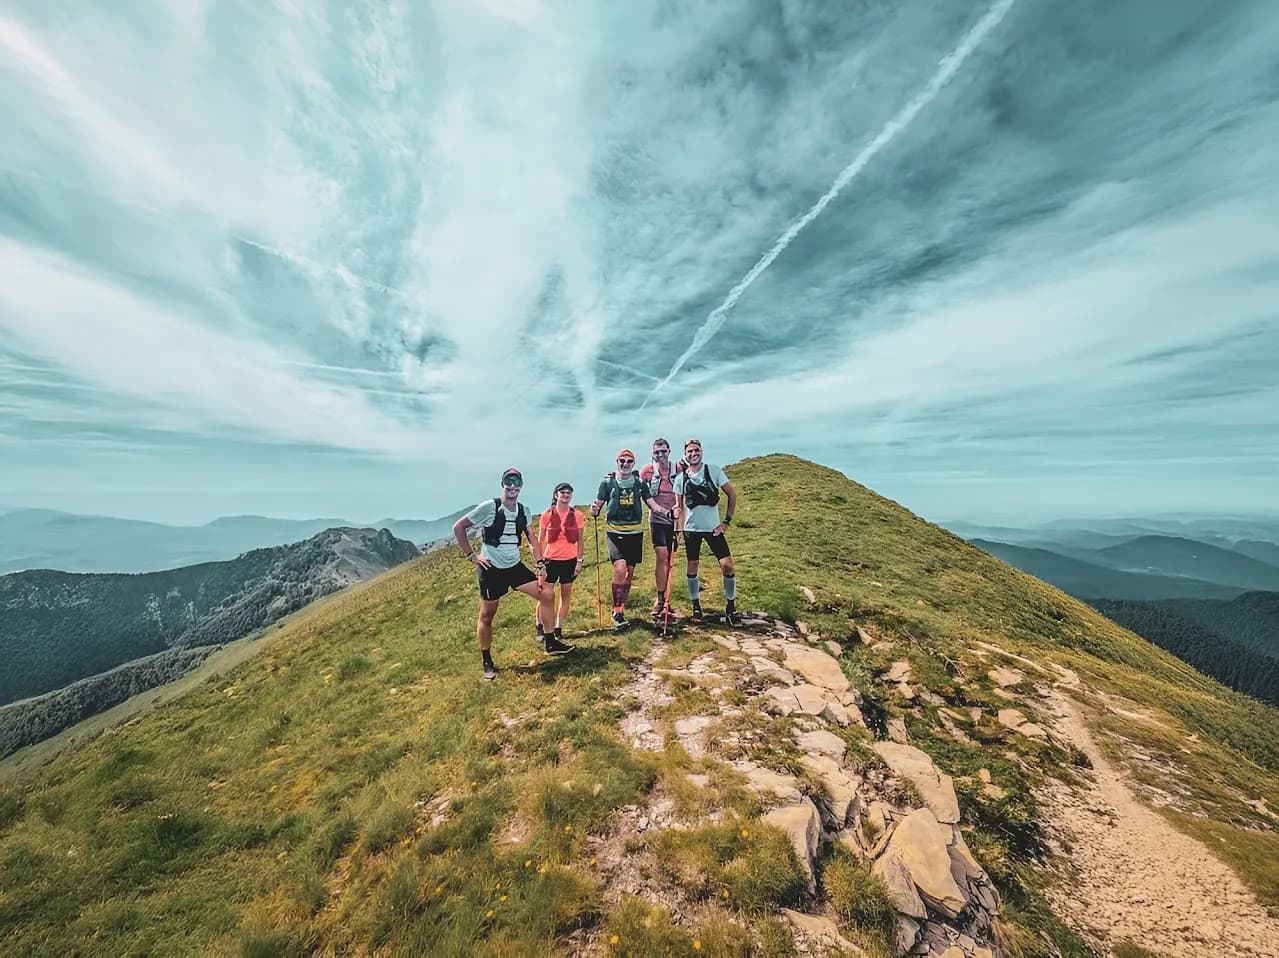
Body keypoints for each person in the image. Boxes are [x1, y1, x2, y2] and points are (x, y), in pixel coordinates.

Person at [453, 467, 573, 680]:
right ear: (503, 484)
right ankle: (487, 661)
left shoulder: (523, 510)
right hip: (491, 569)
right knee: (487, 615)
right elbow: (459, 527)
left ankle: (550, 642)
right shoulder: (490, 507)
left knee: (547, 593)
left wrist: (540, 564)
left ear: (521, 486)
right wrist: (472, 556)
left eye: (516, 483)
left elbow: (532, 538)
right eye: (509, 482)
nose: (512, 486)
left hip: (514, 567)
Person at [591, 448, 673, 632]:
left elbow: (652, 505)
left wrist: (668, 513)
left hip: (635, 533)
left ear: (633, 463)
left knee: (629, 573)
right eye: (622, 461)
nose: (625, 464)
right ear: (617, 462)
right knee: (620, 569)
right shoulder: (607, 483)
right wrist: (594, 510)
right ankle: (617, 611)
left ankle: (620, 606)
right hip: (614, 532)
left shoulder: (639, 484)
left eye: (629, 461)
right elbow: (598, 505)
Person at [672, 439, 740, 626]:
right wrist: (678, 531)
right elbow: (679, 507)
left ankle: (731, 607)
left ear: (701, 451)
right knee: (692, 567)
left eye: (696, 450)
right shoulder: (680, 479)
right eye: (690, 451)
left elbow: (732, 494)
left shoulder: (714, 471)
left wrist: (726, 522)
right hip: (691, 530)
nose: (693, 454)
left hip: (713, 529)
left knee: (727, 566)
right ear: (685, 455)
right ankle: (696, 606)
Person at [639, 438, 682, 619]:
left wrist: (681, 521)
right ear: (652, 454)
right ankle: (659, 599)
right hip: (657, 520)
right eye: (657, 452)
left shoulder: (679, 469)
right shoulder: (647, 471)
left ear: (669, 451)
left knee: (670, 559)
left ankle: (667, 599)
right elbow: (638, 488)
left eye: (663, 451)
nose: (660, 455)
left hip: (675, 521)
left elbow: (685, 492)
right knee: (661, 555)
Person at [537, 482, 585, 644]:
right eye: (562, 492)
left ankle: (558, 628)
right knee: (545, 596)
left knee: (565, 595)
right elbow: (541, 540)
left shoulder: (578, 515)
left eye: (568, 493)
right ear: (556, 495)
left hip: (570, 560)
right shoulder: (546, 515)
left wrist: (579, 561)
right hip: (550, 560)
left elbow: (580, 540)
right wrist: (540, 563)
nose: (565, 495)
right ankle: (540, 626)